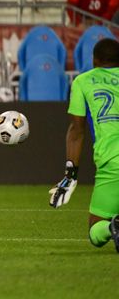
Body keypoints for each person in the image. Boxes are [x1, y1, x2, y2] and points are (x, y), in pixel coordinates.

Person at [49, 38, 119, 252]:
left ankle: (113, 227)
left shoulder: (83, 81)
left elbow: (77, 131)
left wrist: (70, 176)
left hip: (112, 162)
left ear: (95, 60)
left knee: (96, 232)